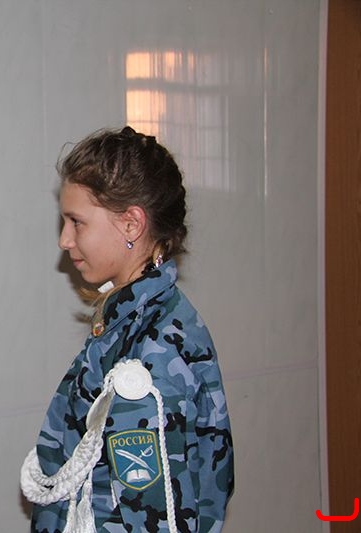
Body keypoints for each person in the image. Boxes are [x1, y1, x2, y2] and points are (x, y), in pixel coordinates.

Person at [21, 127, 233, 533]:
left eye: (77, 222)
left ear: (131, 224)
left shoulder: (154, 348)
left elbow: (150, 516)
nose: (65, 240)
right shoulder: (129, 320)